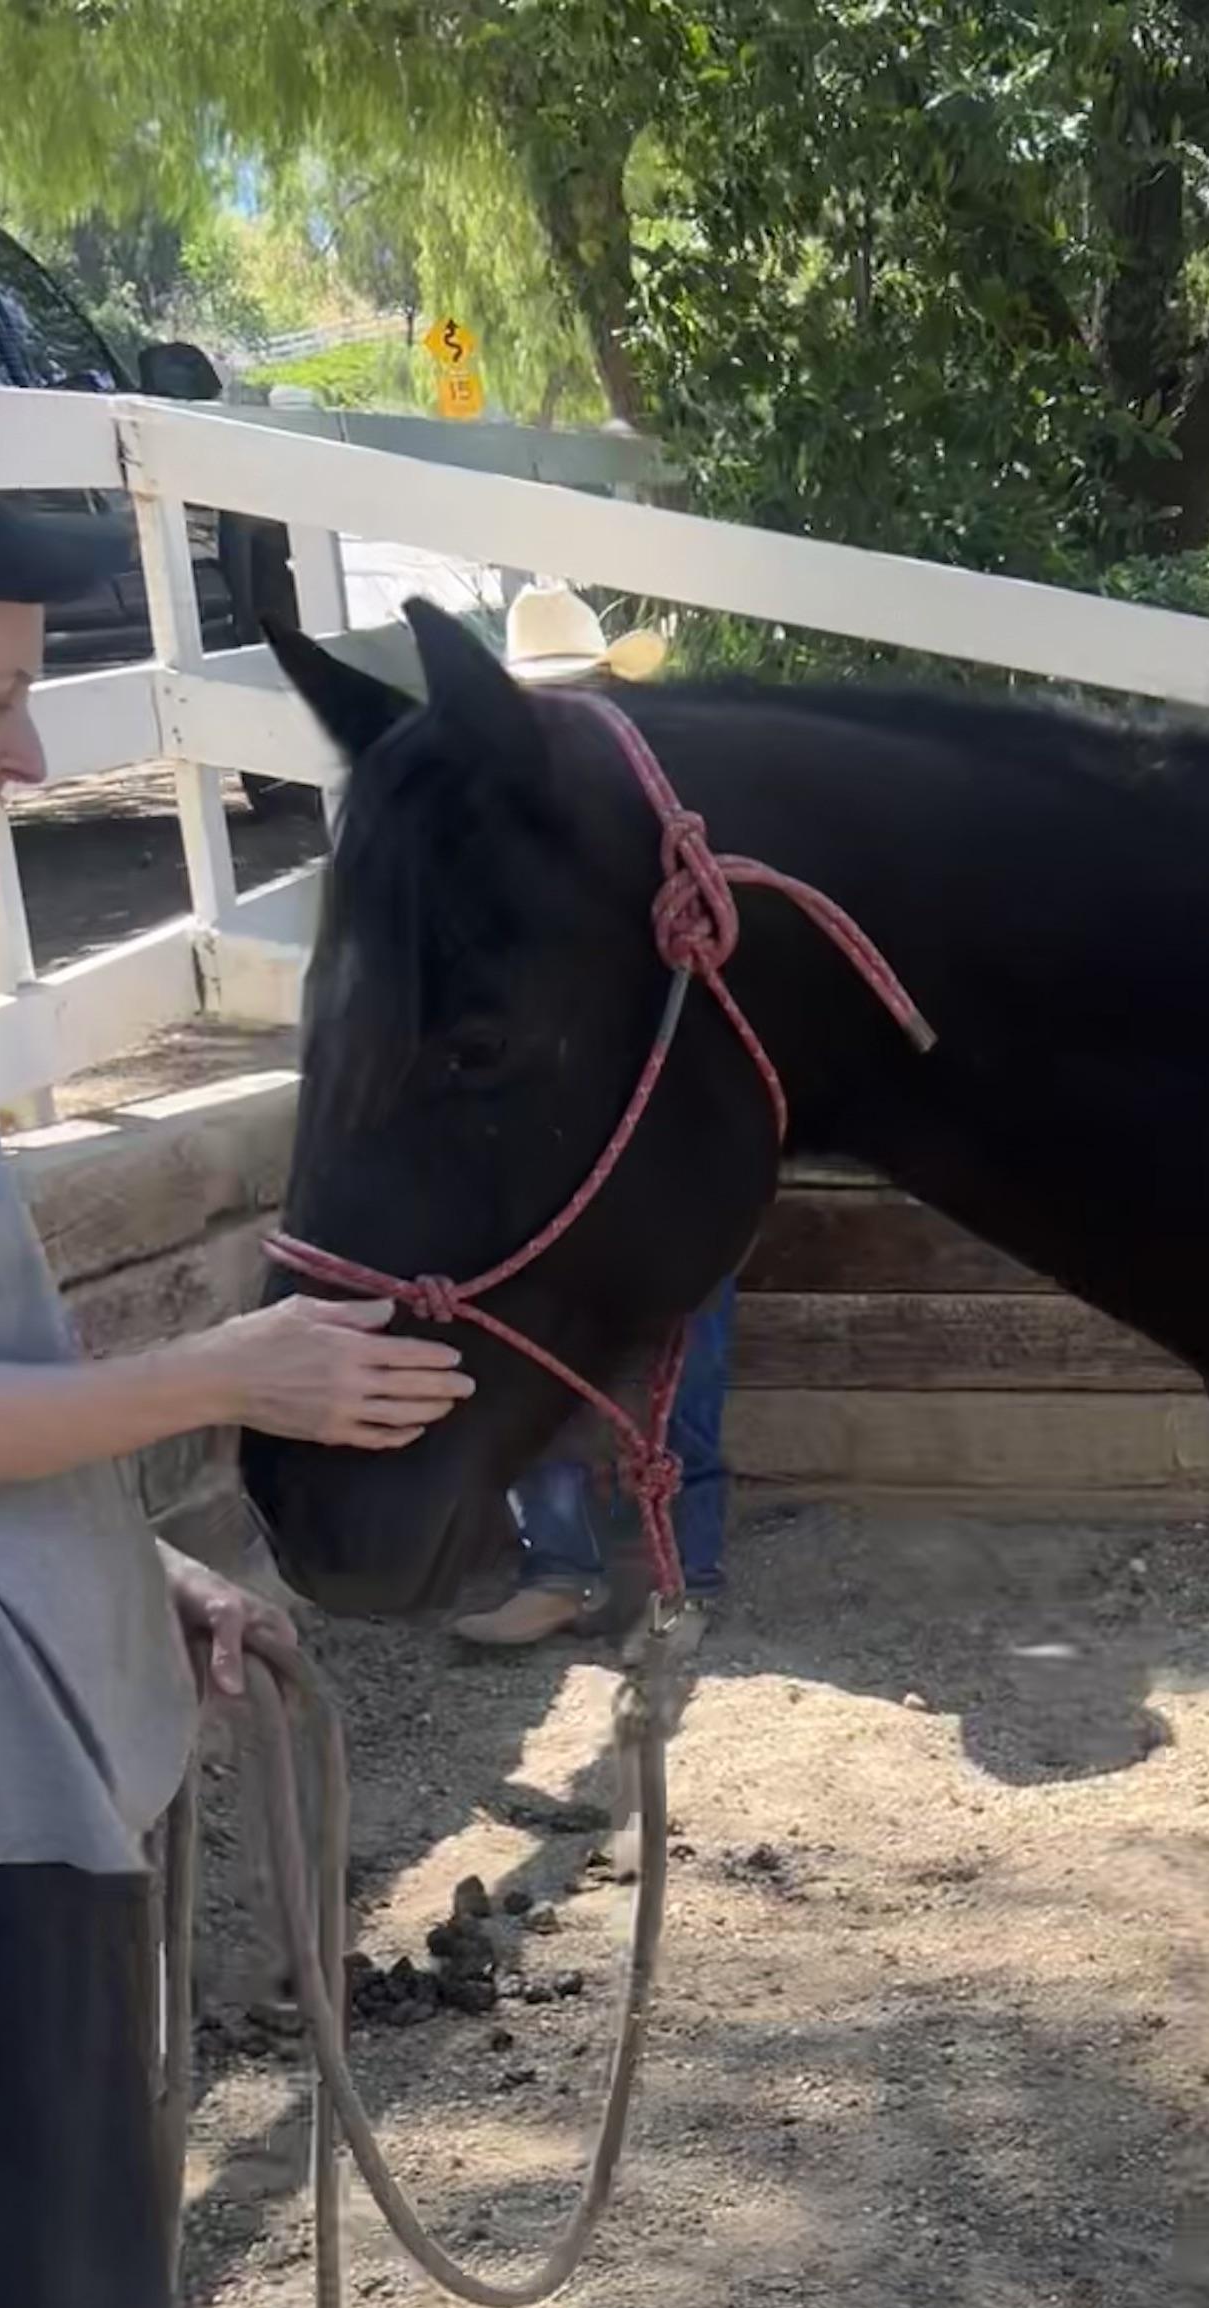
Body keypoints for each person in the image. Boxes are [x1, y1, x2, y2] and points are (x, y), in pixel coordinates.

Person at [0, 469, 474, 2308]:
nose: (24, 759)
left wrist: (132, 1552)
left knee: (93, 2261)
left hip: (26, 1716)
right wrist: (229, 1368)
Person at [454, 582, 737, 1648]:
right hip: (549, 1141)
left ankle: (678, 1575)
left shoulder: (674, 815)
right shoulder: (492, 836)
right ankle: (566, 1566)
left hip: (674, 1132)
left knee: (684, 1358)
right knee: (536, 1344)